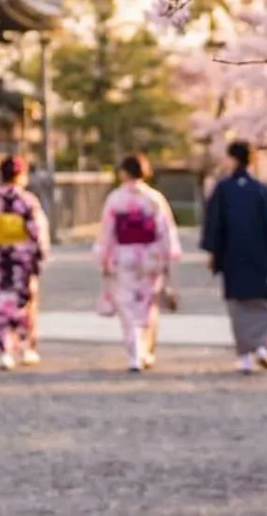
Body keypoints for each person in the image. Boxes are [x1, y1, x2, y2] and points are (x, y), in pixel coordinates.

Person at [199, 138, 267, 374]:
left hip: (232, 255)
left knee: (237, 305)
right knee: (261, 302)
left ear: (232, 159)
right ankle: (261, 346)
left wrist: (213, 253)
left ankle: (245, 356)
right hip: (259, 255)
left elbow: (214, 225)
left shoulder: (223, 189)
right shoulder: (261, 190)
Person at [94, 152, 182, 372]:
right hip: (150, 257)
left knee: (126, 304)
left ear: (124, 173)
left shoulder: (116, 199)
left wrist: (103, 257)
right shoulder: (153, 199)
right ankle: (145, 349)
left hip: (124, 256)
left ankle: (135, 351)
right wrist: (168, 256)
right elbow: (165, 230)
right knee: (147, 302)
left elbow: (107, 232)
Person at [0, 153, 50, 371]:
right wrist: (40, 255)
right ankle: (26, 348)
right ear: (21, 175)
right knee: (25, 303)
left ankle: (5, 350)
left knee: (0, 304)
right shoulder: (27, 201)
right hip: (22, 258)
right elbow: (37, 231)